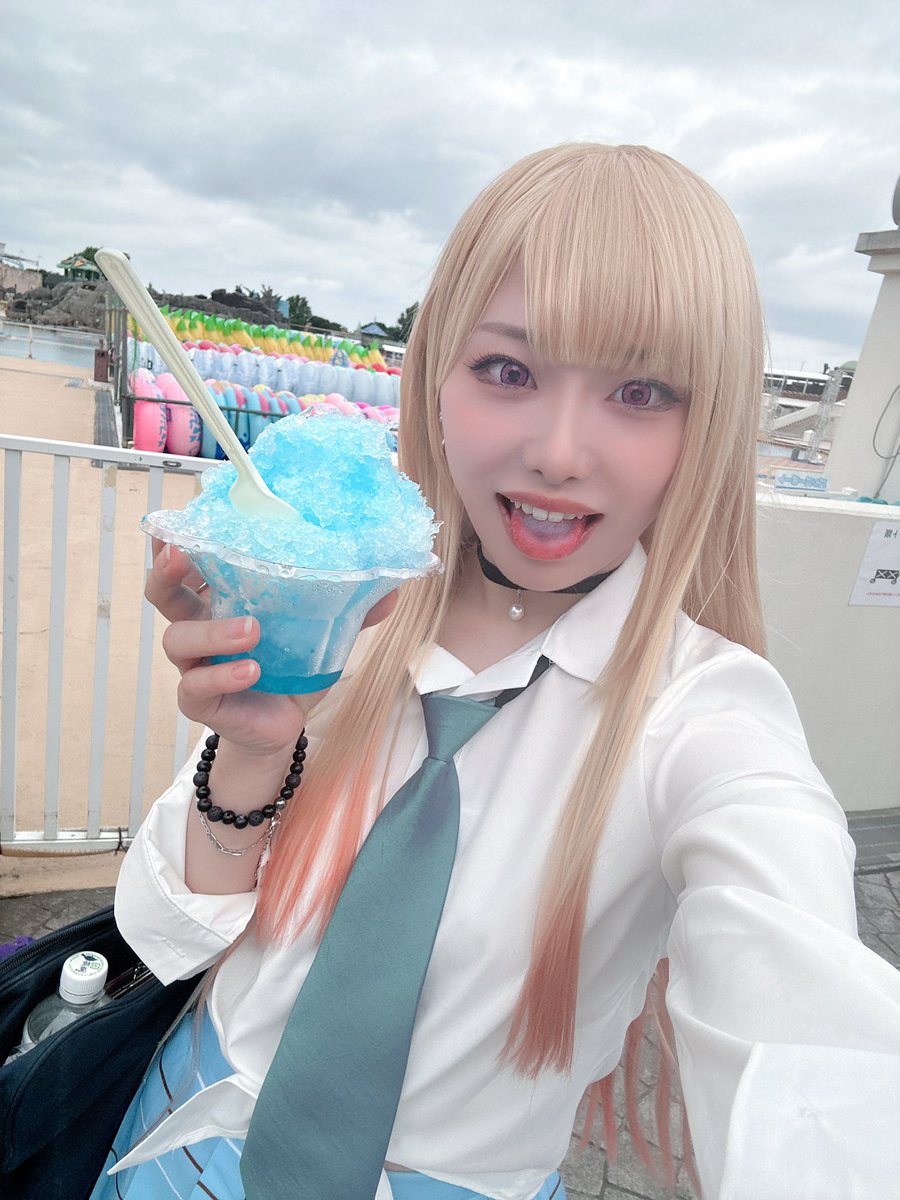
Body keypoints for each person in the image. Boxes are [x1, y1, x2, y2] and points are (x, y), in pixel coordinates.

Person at [94, 143, 900, 1200]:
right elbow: (171, 938)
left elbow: (810, 1028)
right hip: (171, 1143)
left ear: (707, 427)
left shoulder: (708, 719)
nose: (559, 452)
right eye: (508, 372)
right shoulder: (345, 606)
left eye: (641, 390)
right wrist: (249, 752)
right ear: (437, 377)